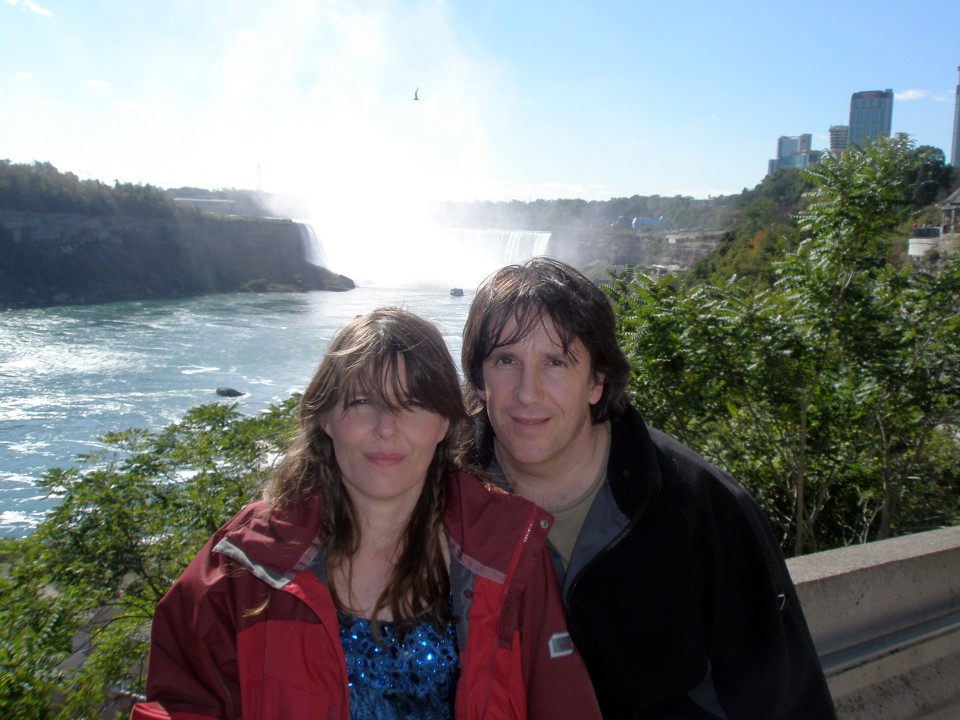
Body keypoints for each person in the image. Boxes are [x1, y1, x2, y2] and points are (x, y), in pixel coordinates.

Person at [130, 307, 601, 720]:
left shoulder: (506, 553)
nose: (386, 428)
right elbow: (180, 704)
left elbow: (561, 702)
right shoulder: (243, 565)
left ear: (445, 423)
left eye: (412, 404)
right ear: (325, 418)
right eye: (361, 402)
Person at [459, 258, 837, 719]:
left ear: (597, 381)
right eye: (506, 361)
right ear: (480, 379)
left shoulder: (698, 506)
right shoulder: (443, 503)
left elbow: (787, 697)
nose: (527, 392)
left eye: (555, 362)